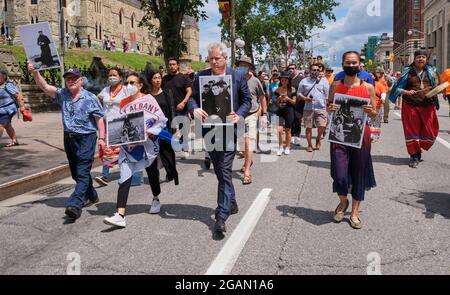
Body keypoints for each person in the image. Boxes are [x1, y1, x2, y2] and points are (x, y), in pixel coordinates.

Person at [187, 41, 251, 237]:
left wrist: (239, 114)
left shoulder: (237, 76)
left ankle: (220, 216)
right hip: (209, 130)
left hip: (230, 130)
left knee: (224, 169)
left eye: (217, 58)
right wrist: (193, 108)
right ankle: (230, 202)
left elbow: (247, 100)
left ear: (225, 58)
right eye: (211, 58)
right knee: (219, 171)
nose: (214, 62)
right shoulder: (202, 76)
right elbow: (192, 98)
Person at [28, 63, 105, 220]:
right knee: (77, 172)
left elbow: (100, 119)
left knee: (83, 170)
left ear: (81, 80)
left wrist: (102, 138)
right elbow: (45, 87)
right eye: (68, 79)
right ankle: (91, 194)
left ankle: (75, 204)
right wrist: (36, 73)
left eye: (73, 78)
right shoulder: (63, 94)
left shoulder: (90, 98)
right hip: (69, 138)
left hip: (86, 138)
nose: (70, 81)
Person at [103, 73, 168, 227]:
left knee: (152, 174)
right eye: (126, 83)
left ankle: (155, 198)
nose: (128, 85)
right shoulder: (124, 103)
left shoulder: (149, 99)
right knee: (124, 176)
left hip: (147, 145)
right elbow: (121, 124)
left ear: (140, 85)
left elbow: (161, 120)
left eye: (132, 82)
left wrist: (150, 131)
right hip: (129, 147)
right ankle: (120, 215)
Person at [327, 51, 378, 230]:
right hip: (339, 135)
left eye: (354, 63)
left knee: (358, 173)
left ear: (359, 65)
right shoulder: (335, 85)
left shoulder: (368, 87)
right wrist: (330, 107)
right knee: (339, 174)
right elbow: (329, 105)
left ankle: (354, 213)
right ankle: (343, 202)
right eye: (348, 63)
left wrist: (370, 111)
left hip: (360, 136)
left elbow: (375, 112)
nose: (351, 66)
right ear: (342, 65)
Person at [389, 50, 440, 168]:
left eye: (423, 57)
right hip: (410, 106)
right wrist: (406, 91)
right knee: (412, 131)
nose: (421, 59)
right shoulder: (407, 72)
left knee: (430, 131)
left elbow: (438, 86)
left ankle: (419, 147)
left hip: (428, 106)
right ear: (415, 59)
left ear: (426, 59)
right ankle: (414, 156)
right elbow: (397, 89)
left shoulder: (432, 72)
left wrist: (439, 90)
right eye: (418, 57)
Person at [235, 56, 267, 185]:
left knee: (249, 141)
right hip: (238, 115)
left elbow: (262, 97)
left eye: (245, 65)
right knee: (241, 142)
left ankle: (247, 171)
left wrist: (264, 114)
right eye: (240, 65)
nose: (242, 67)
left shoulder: (255, 81)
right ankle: (248, 159)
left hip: (252, 114)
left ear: (249, 67)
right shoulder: (235, 79)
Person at [95, 67, 127, 186]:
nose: (112, 77)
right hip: (107, 125)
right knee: (108, 150)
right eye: (110, 75)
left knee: (122, 150)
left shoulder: (125, 90)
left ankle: (125, 173)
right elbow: (97, 99)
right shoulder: (105, 90)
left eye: (114, 75)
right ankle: (105, 176)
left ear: (120, 77)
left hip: (122, 125)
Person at [148, 70, 179, 185]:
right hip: (151, 128)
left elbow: (172, 109)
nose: (157, 80)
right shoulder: (148, 96)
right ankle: (154, 175)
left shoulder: (167, 93)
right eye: (155, 78)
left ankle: (170, 172)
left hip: (165, 127)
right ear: (151, 80)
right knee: (154, 153)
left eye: (159, 78)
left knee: (167, 152)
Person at [163, 57, 193, 159]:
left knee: (183, 129)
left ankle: (185, 149)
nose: (171, 66)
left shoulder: (183, 77)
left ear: (177, 65)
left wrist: (183, 102)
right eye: (170, 64)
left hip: (181, 108)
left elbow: (189, 91)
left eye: (173, 64)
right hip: (168, 109)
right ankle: (170, 150)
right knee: (169, 130)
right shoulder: (165, 79)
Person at [297, 63, 329, 152]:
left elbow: (327, 94)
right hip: (308, 108)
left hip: (321, 107)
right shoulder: (304, 81)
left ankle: (318, 138)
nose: (316, 71)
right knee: (308, 127)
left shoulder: (324, 80)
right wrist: (305, 98)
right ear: (310, 71)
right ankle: (309, 144)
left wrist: (328, 106)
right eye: (314, 70)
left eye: (318, 70)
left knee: (322, 126)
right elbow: (299, 93)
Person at [0, 67, 27, 147]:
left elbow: (18, 96)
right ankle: (14, 140)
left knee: (1, 125)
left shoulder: (8, 85)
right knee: (7, 125)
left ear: (4, 76)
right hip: (1, 110)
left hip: (8, 110)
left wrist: (22, 107)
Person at [274, 71, 296, 156]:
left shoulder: (292, 89)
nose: (284, 82)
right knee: (279, 130)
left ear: (288, 81)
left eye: (286, 80)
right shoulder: (277, 89)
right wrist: (279, 98)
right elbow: (275, 102)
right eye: (282, 80)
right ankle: (280, 147)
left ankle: (287, 146)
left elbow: (294, 102)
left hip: (289, 110)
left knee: (288, 130)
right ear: (280, 81)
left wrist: (287, 98)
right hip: (280, 110)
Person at [288, 64, 303, 146]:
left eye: (292, 68)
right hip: (289, 102)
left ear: (296, 69)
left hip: (299, 102)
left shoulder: (301, 79)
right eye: (289, 68)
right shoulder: (287, 79)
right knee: (291, 119)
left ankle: (297, 136)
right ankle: (292, 136)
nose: (291, 70)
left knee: (297, 118)